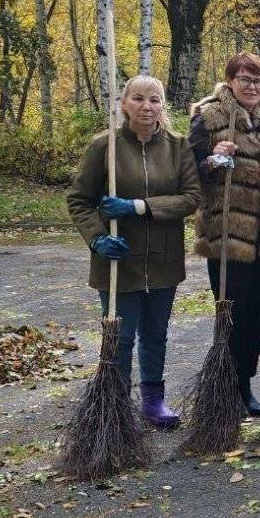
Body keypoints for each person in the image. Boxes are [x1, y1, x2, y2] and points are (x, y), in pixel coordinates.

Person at [67, 75, 201, 428]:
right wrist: (97, 239)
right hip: (116, 261)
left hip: (163, 260)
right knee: (121, 337)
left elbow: (191, 198)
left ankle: (153, 401)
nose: (147, 106)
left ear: (162, 106)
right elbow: (79, 200)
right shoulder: (104, 146)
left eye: (154, 100)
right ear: (124, 104)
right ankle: (115, 404)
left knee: (156, 333)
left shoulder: (178, 146)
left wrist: (138, 206)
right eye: (138, 99)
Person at [189, 52, 260, 417]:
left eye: (258, 79)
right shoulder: (209, 114)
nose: (252, 86)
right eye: (244, 78)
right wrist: (213, 159)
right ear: (230, 79)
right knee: (230, 313)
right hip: (228, 234)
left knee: (259, 312)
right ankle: (225, 384)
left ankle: (245, 381)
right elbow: (191, 172)